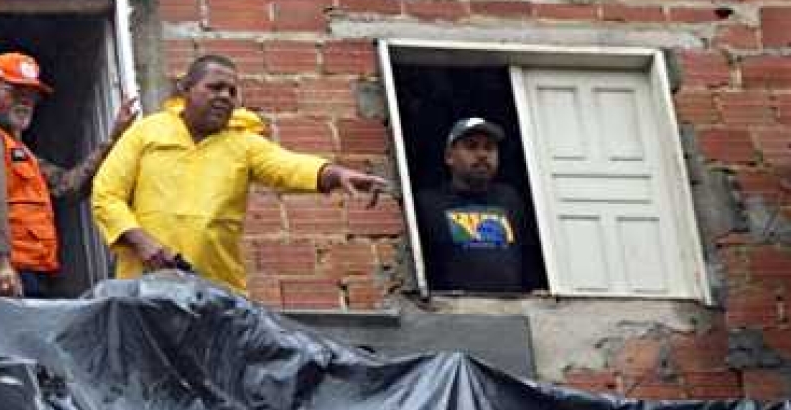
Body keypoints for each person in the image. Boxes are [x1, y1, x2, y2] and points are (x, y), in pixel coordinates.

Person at [91, 54, 388, 293]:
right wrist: (142, 242)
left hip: (214, 292)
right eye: (215, 87)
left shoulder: (243, 144)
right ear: (185, 90)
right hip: (143, 287)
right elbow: (106, 194)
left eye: (232, 92)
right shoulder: (147, 131)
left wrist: (334, 174)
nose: (225, 96)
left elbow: (287, 166)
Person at [0, 52, 140, 297]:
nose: (25, 101)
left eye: (32, 95)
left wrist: (113, 139)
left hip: (22, 272)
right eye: (15, 91)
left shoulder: (15, 150)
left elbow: (68, 186)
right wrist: (2, 266)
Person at [414, 117, 543, 294]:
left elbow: (529, 255)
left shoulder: (510, 199)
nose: (482, 154)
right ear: (449, 157)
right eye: (471, 146)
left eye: (489, 147)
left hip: (513, 309)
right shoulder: (427, 203)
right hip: (453, 312)